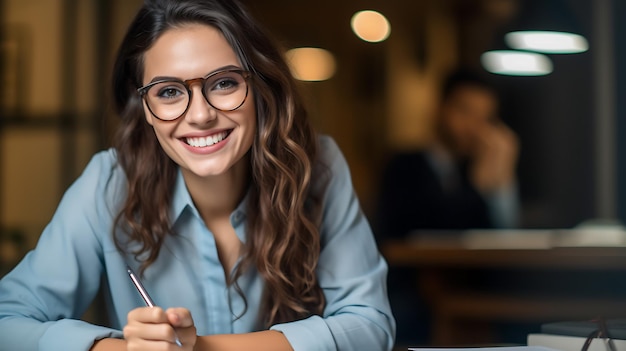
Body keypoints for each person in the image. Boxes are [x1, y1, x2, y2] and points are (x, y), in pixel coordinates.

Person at [0, 1, 395, 350]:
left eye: (224, 83)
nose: (201, 115)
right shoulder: (108, 184)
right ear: (145, 109)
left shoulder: (318, 165)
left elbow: (369, 325)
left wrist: (200, 348)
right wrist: (124, 350)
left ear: (261, 88)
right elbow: (8, 322)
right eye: (168, 92)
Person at [377, 69, 520, 239]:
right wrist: (477, 188)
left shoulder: (473, 167)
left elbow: (502, 238)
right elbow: (428, 232)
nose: (474, 126)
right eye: (466, 112)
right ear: (440, 108)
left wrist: (503, 182)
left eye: (484, 118)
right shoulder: (404, 166)